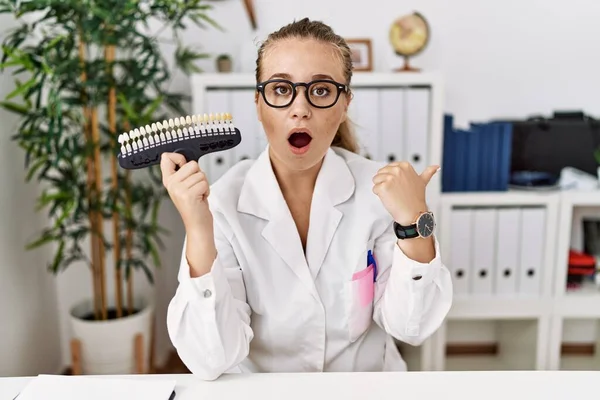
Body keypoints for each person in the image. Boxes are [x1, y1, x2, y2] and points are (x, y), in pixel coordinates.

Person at [162, 17, 452, 381]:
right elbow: (211, 359)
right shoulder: (221, 205)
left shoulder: (379, 193)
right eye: (282, 90)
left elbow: (413, 326)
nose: (300, 108)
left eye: (320, 90)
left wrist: (415, 223)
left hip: (363, 385)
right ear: (258, 102)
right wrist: (199, 231)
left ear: (344, 103)